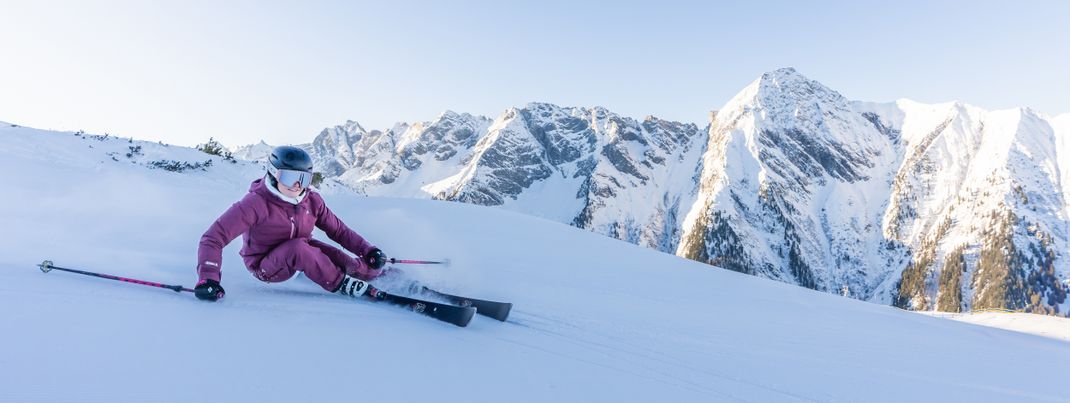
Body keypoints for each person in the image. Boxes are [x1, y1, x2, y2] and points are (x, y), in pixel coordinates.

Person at [194, 145, 387, 301]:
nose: (297, 185)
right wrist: (208, 278)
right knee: (299, 249)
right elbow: (213, 238)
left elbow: (339, 231)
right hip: (266, 267)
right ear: (273, 173)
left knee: (338, 257)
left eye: (303, 179)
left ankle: (378, 275)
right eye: (290, 177)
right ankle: (341, 283)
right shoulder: (255, 204)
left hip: (302, 252)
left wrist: (368, 250)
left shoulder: (311, 201)